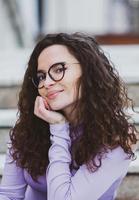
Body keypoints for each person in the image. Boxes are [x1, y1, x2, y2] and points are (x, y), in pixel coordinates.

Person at [0, 32, 138, 200]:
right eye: (41, 76)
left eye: (59, 69)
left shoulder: (118, 138)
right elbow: (9, 195)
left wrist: (59, 128)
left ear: (88, 71)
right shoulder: (28, 130)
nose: (47, 83)